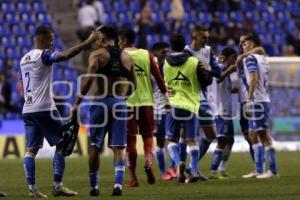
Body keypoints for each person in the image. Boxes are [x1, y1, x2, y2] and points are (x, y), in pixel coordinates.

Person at [20, 25, 100, 198]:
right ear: (40, 39)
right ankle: (57, 186)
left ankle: (32, 190)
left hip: (28, 109)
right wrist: (87, 42)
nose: (53, 43)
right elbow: (64, 56)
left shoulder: (24, 58)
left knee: (31, 150)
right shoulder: (43, 55)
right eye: (51, 39)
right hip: (44, 108)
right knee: (63, 143)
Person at [72, 25, 135, 196]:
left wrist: (77, 102)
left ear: (103, 37)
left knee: (94, 146)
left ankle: (94, 187)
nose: (94, 40)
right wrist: (122, 97)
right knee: (119, 147)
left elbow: (89, 80)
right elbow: (134, 85)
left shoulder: (98, 55)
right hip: (119, 103)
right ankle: (118, 185)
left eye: (96, 37)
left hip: (100, 102)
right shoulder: (127, 57)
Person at [118, 28, 167, 187]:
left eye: (120, 39)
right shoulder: (148, 55)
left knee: (130, 140)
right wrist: (166, 96)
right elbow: (159, 78)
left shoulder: (121, 55)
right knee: (147, 136)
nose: (119, 42)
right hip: (146, 101)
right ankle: (148, 162)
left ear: (124, 39)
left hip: (128, 102)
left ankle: (133, 178)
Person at [164, 33, 212, 183]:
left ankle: (179, 163)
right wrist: (207, 71)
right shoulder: (194, 61)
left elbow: (166, 83)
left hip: (174, 104)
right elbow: (207, 81)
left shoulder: (166, 63)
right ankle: (194, 170)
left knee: (171, 140)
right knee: (192, 140)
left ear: (171, 46)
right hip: (191, 105)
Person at [183, 25, 221, 181]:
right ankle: (184, 170)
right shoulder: (185, 53)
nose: (206, 39)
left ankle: (192, 167)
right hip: (189, 98)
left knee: (211, 135)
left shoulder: (208, 51)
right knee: (189, 137)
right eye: (203, 37)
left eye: (207, 37)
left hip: (204, 98)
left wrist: (208, 69)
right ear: (194, 37)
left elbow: (217, 73)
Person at [241, 32, 279, 178]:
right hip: (262, 99)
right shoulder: (263, 58)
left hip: (257, 101)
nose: (243, 46)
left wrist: (249, 100)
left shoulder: (250, 59)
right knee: (252, 134)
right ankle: (258, 169)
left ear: (253, 44)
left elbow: (254, 79)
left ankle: (273, 171)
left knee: (264, 135)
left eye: (246, 43)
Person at [208, 47, 237, 179]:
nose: (235, 60)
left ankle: (222, 168)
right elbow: (218, 79)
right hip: (221, 110)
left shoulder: (224, 68)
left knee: (230, 141)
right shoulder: (219, 67)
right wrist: (230, 70)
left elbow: (227, 88)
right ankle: (213, 171)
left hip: (227, 110)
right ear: (229, 57)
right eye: (234, 57)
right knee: (222, 141)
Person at [152, 42, 176, 180]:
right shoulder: (151, 68)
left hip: (173, 107)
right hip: (159, 109)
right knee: (161, 142)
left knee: (174, 139)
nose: (166, 54)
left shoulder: (172, 66)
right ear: (156, 53)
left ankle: (172, 168)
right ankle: (163, 172)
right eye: (163, 52)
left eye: (167, 51)